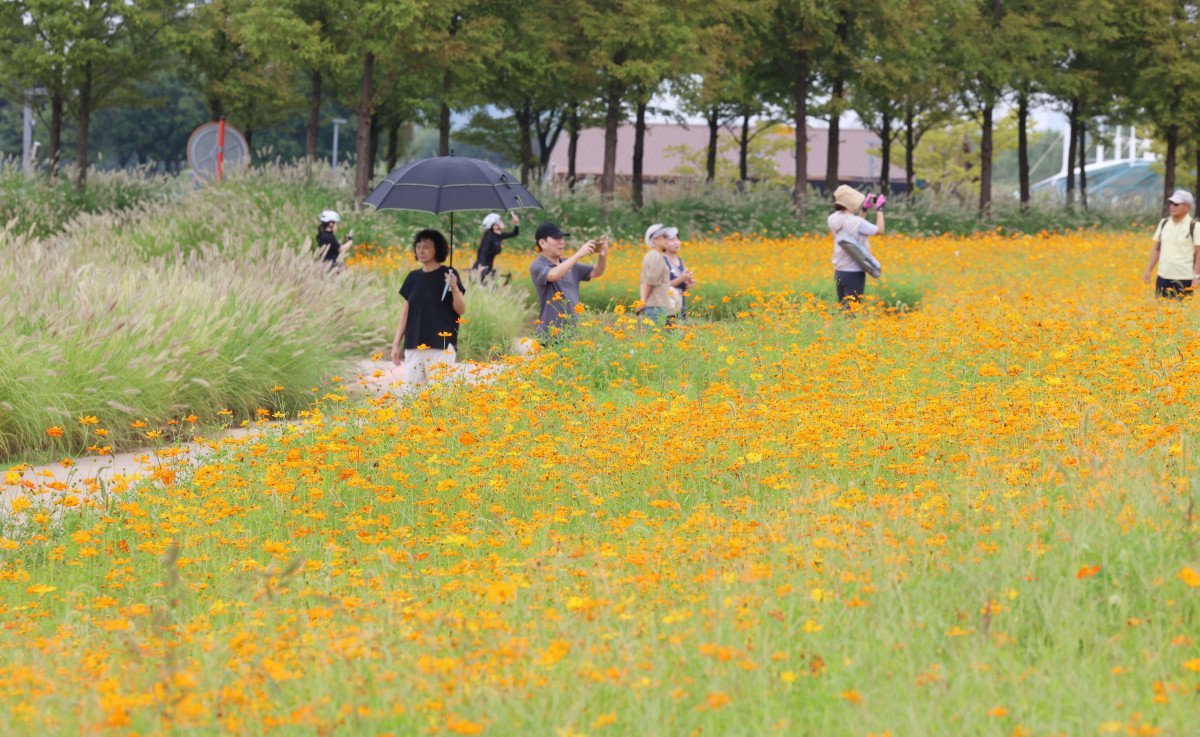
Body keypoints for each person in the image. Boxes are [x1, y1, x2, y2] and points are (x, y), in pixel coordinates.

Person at [390, 229, 467, 387]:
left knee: (440, 396)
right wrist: (396, 343)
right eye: (418, 247)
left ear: (437, 249)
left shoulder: (449, 275)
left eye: (426, 247)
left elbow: (460, 310)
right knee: (412, 395)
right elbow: (405, 314)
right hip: (414, 343)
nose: (421, 251)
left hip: (441, 344)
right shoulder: (413, 277)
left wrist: (454, 286)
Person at [529, 222, 608, 342]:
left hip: (574, 335)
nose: (561, 242)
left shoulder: (569, 263)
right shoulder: (537, 266)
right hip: (551, 336)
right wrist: (578, 254)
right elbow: (553, 275)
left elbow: (596, 272)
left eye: (561, 238)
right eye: (556, 238)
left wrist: (602, 256)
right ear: (542, 243)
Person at [827, 185, 885, 306]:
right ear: (852, 203)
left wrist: (864, 210)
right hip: (854, 273)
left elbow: (852, 228)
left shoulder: (832, 219)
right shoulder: (857, 222)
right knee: (853, 309)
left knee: (843, 308)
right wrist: (879, 209)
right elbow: (879, 230)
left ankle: (840, 325)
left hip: (839, 271)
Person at [1143, 190, 1199, 298]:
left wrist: (1196, 276)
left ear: (1187, 207)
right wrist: (1149, 270)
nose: (1172, 207)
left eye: (1176, 204)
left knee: (1181, 312)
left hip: (1184, 277)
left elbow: (1198, 254)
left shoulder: (1195, 226)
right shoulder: (1164, 223)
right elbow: (1157, 249)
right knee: (1161, 312)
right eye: (1171, 203)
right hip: (1163, 275)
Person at [640, 223, 681, 325]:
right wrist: (643, 301)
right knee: (656, 338)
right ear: (654, 239)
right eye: (664, 237)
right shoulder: (655, 256)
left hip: (656, 305)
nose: (667, 239)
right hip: (656, 306)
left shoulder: (654, 255)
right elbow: (650, 281)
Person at [473, 212, 520, 283]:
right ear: (494, 226)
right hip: (482, 267)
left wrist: (516, 223)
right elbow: (483, 252)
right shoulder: (489, 237)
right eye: (499, 221)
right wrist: (482, 266)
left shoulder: (499, 236)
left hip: (489, 266)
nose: (502, 222)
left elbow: (515, 233)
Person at [663, 228, 694, 320]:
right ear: (663, 243)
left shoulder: (680, 260)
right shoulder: (662, 260)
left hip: (680, 304)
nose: (676, 242)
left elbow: (679, 285)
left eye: (677, 239)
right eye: (671, 240)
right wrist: (681, 278)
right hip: (668, 306)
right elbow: (661, 286)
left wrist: (687, 283)